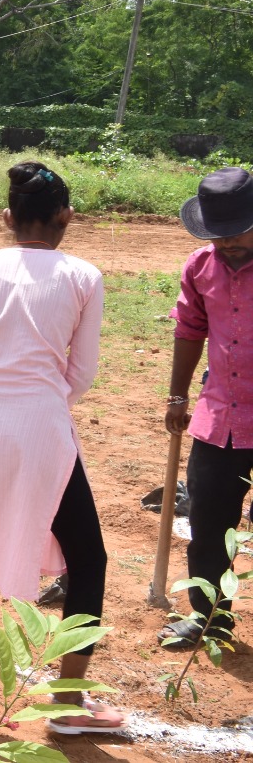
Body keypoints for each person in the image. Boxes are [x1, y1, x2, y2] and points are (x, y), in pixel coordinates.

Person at [0, 161, 121, 733]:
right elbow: (81, 376)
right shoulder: (83, 275)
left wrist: (1, 387)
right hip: (43, 432)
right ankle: (66, 704)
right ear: (66, 216)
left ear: (7, 217)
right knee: (88, 560)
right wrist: (37, 394)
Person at [162, 167, 253, 647]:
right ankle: (210, 618)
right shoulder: (200, 267)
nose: (225, 243)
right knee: (208, 522)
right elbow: (188, 330)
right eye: (216, 236)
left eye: (235, 232)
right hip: (221, 417)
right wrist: (179, 396)